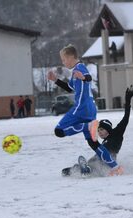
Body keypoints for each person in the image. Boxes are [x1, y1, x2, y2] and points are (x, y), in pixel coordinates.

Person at [47, 44, 122, 175]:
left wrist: (83, 77)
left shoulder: (80, 67)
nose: (63, 62)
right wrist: (56, 80)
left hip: (81, 107)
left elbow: (88, 77)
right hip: (90, 108)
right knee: (94, 144)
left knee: (59, 131)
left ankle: (87, 126)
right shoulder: (74, 72)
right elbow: (70, 88)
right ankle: (115, 167)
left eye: (64, 60)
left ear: (70, 57)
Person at [63, 85, 133, 177]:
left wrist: (128, 100)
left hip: (108, 163)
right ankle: (81, 169)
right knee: (67, 170)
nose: (99, 132)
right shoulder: (103, 142)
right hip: (99, 160)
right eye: (98, 130)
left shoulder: (117, 133)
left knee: (96, 164)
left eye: (102, 129)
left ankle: (87, 169)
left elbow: (126, 118)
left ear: (108, 129)